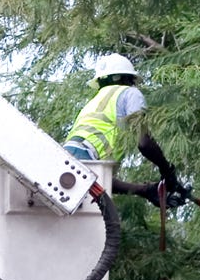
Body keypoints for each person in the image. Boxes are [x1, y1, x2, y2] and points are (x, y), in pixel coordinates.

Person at [64, 53, 189, 208]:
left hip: (66, 159)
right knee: (108, 219)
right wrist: (167, 171)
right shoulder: (130, 93)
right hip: (87, 157)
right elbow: (144, 143)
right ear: (125, 78)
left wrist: (146, 190)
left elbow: (101, 181)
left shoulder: (93, 103)